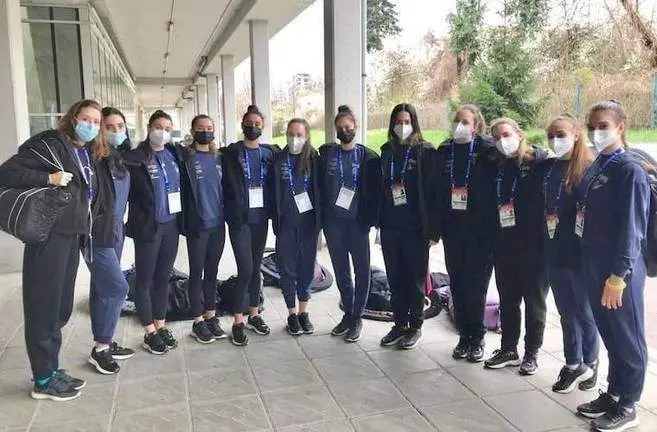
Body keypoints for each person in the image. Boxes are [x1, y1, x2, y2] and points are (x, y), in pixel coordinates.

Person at [0, 99, 100, 401]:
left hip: (70, 237)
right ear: (72, 118)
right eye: (86, 118)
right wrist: (47, 178)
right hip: (48, 238)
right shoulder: (48, 143)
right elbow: (6, 173)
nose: (91, 125)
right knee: (43, 306)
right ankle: (42, 381)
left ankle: (51, 368)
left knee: (59, 308)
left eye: (96, 121)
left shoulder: (84, 151)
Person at [575, 101, 649, 432]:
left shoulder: (629, 169)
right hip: (593, 264)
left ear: (620, 126)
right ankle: (615, 392)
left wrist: (618, 277)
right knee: (609, 333)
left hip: (618, 272)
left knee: (627, 337)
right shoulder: (598, 164)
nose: (595, 132)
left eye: (602, 125)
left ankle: (629, 403)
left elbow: (634, 229)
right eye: (591, 126)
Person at [481, 117, 550, 375]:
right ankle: (509, 348)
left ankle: (531, 353)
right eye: (496, 137)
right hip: (504, 244)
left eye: (506, 135)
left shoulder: (539, 163)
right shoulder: (495, 165)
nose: (502, 141)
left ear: (520, 135)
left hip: (535, 247)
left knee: (535, 302)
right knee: (508, 300)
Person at [541, 114, 599, 393]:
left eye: (561, 134)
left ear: (576, 133)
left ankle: (592, 361)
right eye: (550, 135)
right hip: (554, 251)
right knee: (566, 313)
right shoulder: (550, 167)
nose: (555, 140)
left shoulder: (588, 169)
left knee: (584, 312)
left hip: (579, 255)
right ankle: (573, 362)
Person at [434, 105, 494, 363]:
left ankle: (477, 337)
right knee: (457, 284)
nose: (460, 125)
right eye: (457, 120)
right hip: (453, 229)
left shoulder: (488, 151)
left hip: (480, 231)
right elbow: (436, 191)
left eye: (465, 121)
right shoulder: (445, 151)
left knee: (476, 286)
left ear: (476, 126)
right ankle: (463, 336)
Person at [378, 103, 438, 350]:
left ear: (414, 123)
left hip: (415, 228)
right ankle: (399, 323)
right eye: (398, 122)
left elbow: (433, 193)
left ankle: (415, 326)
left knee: (414, 280)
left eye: (406, 122)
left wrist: (433, 230)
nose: (402, 126)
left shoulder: (424, 152)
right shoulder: (386, 151)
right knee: (395, 278)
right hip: (390, 226)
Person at [319, 105, 381, 343]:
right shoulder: (327, 154)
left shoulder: (368, 157)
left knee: (362, 270)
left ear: (355, 127)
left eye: (348, 127)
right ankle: (347, 312)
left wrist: (372, 221)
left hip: (357, 224)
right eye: (340, 128)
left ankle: (358, 316)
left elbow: (375, 193)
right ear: (335, 130)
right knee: (342, 270)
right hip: (333, 224)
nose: (344, 131)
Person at [124, 110, 181, 355]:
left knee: (163, 278)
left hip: (171, 226)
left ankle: (161, 323)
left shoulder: (172, 155)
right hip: (148, 227)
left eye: (167, 128)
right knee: (145, 280)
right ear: (149, 128)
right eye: (158, 127)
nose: (162, 132)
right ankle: (149, 330)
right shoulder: (134, 158)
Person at [84, 107, 136, 374]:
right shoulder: (92, 158)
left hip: (116, 230)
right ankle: (101, 348)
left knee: (101, 287)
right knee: (117, 287)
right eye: (109, 127)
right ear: (99, 130)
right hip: (96, 233)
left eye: (120, 126)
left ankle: (103, 340)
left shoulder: (119, 157)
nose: (116, 131)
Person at [222, 105, 278, 346]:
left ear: (263, 126)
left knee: (256, 270)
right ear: (242, 124)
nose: (253, 127)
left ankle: (254, 314)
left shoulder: (270, 153)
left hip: (261, 219)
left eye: (257, 124)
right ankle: (237, 321)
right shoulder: (231, 153)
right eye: (249, 123)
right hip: (240, 220)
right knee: (245, 269)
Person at [179, 115, 226, 344]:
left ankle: (210, 315)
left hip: (218, 225)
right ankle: (197, 320)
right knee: (196, 273)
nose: (205, 132)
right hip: (198, 225)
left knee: (213, 273)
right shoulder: (185, 158)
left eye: (209, 128)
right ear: (193, 130)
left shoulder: (219, 158)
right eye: (200, 128)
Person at [273, 119, 321, 335]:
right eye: (291, 134)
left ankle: (303, 312)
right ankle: (291, 314)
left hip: (309, 225)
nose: (295, 139)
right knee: (287, 270)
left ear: (307, 136)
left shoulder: (314, 159)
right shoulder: (279, 160)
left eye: (299, 134)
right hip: (286, 225)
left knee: (306, 268)